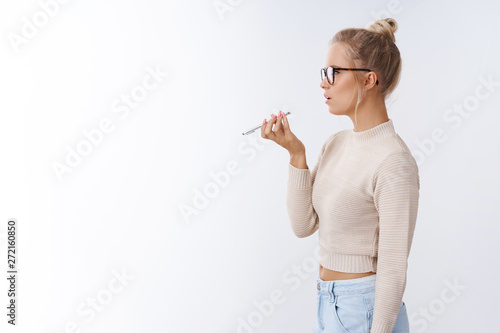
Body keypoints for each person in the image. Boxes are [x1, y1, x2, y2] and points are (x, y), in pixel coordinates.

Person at [261, 18, 420, 333]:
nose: (324, 82)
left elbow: (393, 270)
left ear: (369, 80)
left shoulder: (393, 161)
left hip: (366, 311)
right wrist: (296, 155)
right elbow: (303, 225)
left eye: (334, 72)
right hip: (328, 302)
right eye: (324, 73)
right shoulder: (336, 143)